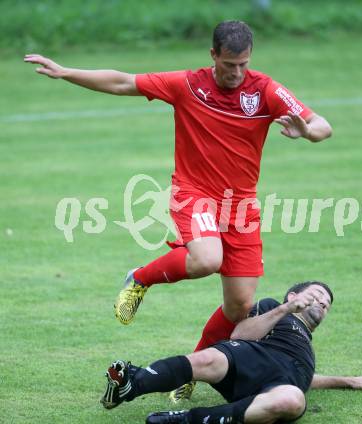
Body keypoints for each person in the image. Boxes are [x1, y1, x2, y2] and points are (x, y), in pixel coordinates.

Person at [25, 21, 332, 400]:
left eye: (244, 64)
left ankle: (193, 367)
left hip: (240, 207)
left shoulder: (264, 89)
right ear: (213, 55)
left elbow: (322, 124)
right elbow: (124, 82)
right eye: (230, 64)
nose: (237, 73)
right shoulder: (188, 85)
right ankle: (139, 278)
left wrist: (307, 131)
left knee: (239, 308)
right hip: (194, 193)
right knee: (205, 258)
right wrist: (66, 72)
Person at [100, 281, 362, 423]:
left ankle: (186, 419)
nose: (322, 304)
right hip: (249, 358)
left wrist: (350, 381)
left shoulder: (307, 351)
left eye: (327, 304)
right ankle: (130, 385)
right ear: (294, 295)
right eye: (317, 296)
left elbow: (309, 380)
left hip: (281, 384)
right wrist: (286, 309)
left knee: (292, 399)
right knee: (210, 357)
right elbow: (240, 335)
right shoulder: (273, 309)